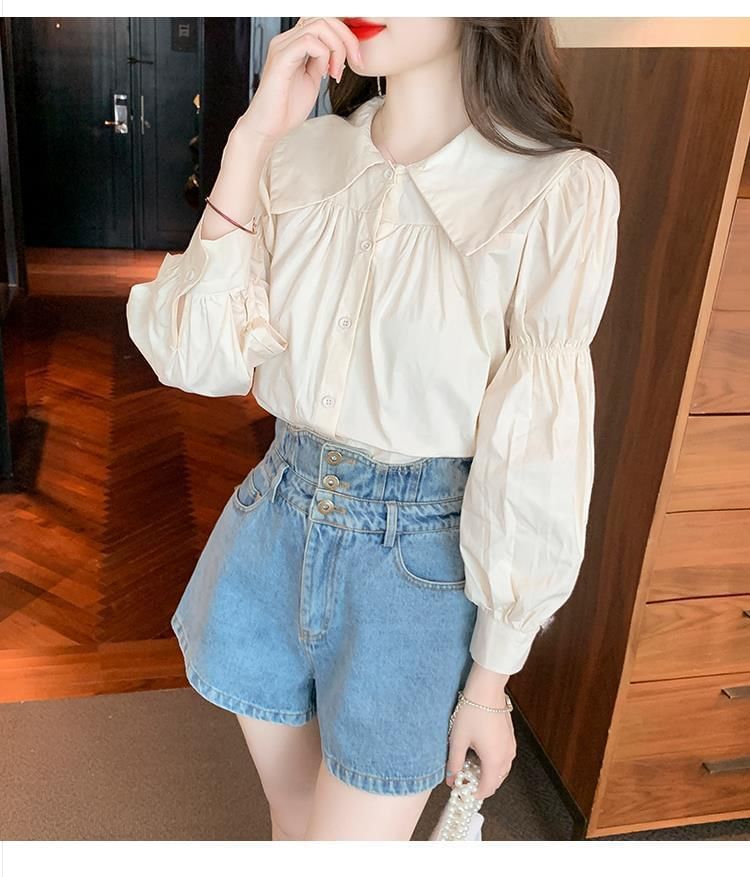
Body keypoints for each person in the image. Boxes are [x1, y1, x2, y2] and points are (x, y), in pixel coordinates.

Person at [126, 16, 620, 841]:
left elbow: (536, 448)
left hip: (414, 569)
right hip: (273, 525)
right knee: (291, 820)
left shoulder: (557, 189)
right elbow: (194, 357)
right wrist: (251, 140)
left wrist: (491, 681)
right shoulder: (300, 154)